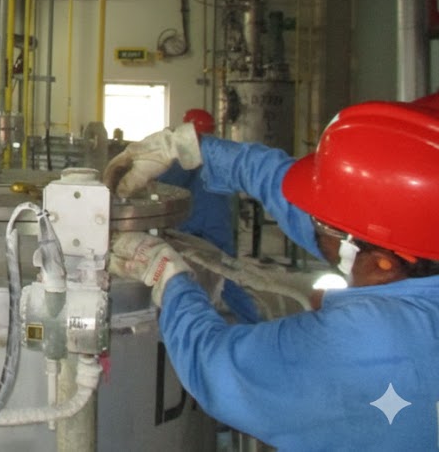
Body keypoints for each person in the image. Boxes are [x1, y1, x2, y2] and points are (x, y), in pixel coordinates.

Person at [102, 99, 439, 451]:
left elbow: (218, 367)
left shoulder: (364, 344)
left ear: (382, 263)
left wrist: (168, 278)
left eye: (323, 220)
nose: (310, 217)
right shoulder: (413, 246)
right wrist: (196, 150)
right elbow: (323, 215)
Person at [158, 108, 260, 323]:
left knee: (186, 274)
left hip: (194, 226)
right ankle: (253, 321)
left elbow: (168, 183)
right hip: (219, 223)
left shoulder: (187, 155)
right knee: (227, 274)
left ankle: (189, 322)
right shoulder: (218, 153)